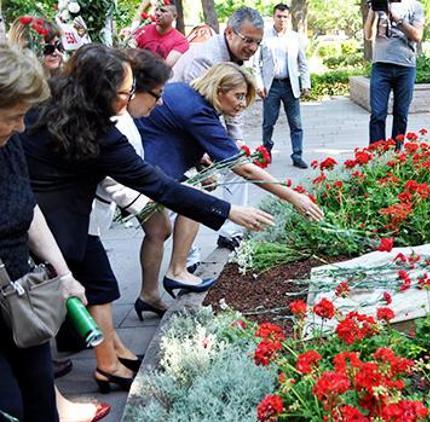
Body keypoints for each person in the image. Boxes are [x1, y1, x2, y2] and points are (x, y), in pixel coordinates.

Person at [21, 44, 278, 393]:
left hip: (62, 208)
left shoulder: (63, 103)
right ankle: (88, 372)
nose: (130, 100)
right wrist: (229, 211)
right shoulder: (101, 135)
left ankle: (111, 358)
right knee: (42, 303)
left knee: (100, 281)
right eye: (126, 92)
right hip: (45, 215)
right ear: (101, 91)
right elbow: (159, 186)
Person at [135, 63, 323, 302]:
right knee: (191, 202)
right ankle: (177, 271)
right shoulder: (198, 110)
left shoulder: (189, 96)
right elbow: (243, 167)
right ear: (219, 90)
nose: (243, 104)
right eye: (239, 96)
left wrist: (200, 159)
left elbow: (174, 130)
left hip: (146, 158)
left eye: (246, 97)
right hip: (142, 165)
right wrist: (294, 197)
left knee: (158, 229)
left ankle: (149, 296)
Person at [0, 44, 109, 422]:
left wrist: (63, 275)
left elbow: (27, 208)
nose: (21, 127)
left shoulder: (9, 142)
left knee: (41, 399)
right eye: (13, 116)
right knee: (10, 408)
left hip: (17, 296)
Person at [87, 48, 172, 320]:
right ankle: (107, 356)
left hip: (105, 207)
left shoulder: (125, 119)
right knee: (100, 286)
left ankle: (149, 294)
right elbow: (115, 176)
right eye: (157, 95)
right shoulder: (116, 124)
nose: (159, 103)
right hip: (87, 215)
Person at [170, 6, 264, 250]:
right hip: (175, 133)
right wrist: (205, 156)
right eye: (248, 40)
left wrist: (238, 144)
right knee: (180, 199)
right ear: (230, 32)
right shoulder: (206, 60)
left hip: (196, 128)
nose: (253, 48)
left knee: (237, 165)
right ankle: (185, 261)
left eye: (257, 42)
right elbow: (196, 115)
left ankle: (231, 232)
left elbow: (233, 109)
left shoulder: (235, 60)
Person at [256, 3, 311, 169]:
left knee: (296, 124)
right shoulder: (264, 37)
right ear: (274, 17)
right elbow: (255, 64)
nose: (282, 19)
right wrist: (259, 84)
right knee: (268, 123)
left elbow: (303, 63)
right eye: (279, 16)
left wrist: (305, 84)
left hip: (290, 85)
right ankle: (266, 152)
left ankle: (297, 154)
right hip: (271, 86)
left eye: (285, 17)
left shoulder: (295, 38)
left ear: (289, 18)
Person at [364, 0, 424, 147]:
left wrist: (395, 17)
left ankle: (396, 156)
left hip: (406, 67)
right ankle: (377, 156)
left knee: (401, 114)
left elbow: (417, 36)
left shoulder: (415, 6)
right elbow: (368, 35)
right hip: (381, 66)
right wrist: (373, 10)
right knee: (377, 114)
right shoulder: (377, 5)